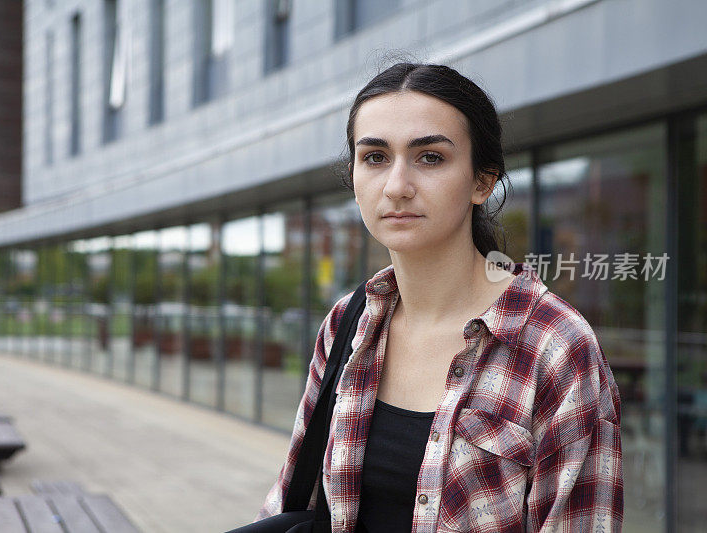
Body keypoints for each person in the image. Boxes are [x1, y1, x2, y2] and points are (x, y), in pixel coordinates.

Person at [253, 63, 623, 532]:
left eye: (430, 157)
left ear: (481, 182)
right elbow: (294, 495)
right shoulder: (349, 323)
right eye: (374, 157)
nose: (397, 186)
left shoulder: (554, 344)